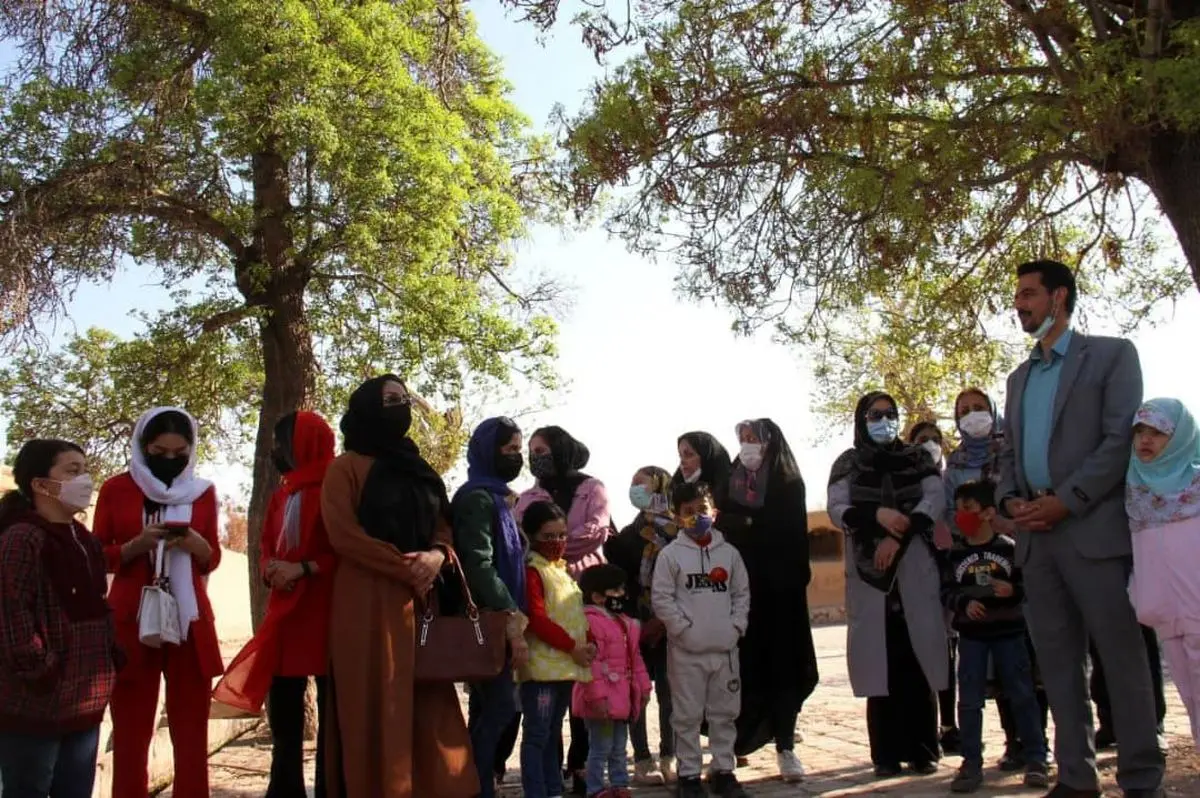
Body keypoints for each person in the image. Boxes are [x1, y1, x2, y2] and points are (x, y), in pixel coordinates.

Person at [998, 259, 1164, 798]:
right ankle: (1075, 778)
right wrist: (1010, 500)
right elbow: (1008, 455)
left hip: (1091, 530)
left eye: (1028, 294)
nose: (1019, 304)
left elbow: (1119, 440)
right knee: (1058, 665)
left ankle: (1142, 779)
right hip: (1035, 541)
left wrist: (1065, 502)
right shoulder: (1018, 377)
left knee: (1121, 659)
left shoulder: (1113, 356)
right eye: (1018, 296)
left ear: (1059, 297)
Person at [321, 375, 477, 798]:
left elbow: (443, 526)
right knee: (373, 705)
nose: (400, 405)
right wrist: (405, 565)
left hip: (421, 601)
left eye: (404, 399)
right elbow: (343, 535)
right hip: (366, 603)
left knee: (429, 707)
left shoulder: (418, 468)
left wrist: (437, 555)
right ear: (368, 406)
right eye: (390, 399)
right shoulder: (345, 468)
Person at [95, 407, 223, 798]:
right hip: (131, 622)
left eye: (179, 452)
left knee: (192, 734)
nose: (170, 459)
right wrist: (135, 547)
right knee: (132, 734)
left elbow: (212, 557)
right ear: (142, 446)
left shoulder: (203, 492)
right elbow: (96, 554)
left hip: (188, 620)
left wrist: (200, 547)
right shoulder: (117, 489)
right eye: (159, 451)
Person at [213, 411, 337, 798]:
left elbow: (346, 550)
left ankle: (331, 789)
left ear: (305, 445)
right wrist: (272, 570)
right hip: (286, 615)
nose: (275, 452)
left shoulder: (337, 490)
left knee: (333, 719)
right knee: (284, 718)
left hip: (325, 613)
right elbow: (266, 545)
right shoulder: (282, 494)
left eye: (281, 444)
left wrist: (304, 568)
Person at [827, 391, 947, 778]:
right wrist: (876, 515)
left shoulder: (917, 458)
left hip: (912, 560)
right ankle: (886, 754)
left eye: (890, 414)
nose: (884, 421)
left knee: (918, 658)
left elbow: (933, 500)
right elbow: (837, 508)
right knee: (880, 661)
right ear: (862, 420)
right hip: (868, 569)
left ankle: (925, 749)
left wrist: (899, 536)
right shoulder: (848, 462)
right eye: (875, 415)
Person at [0, 439, 120, 798]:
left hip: (84, 704)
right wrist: (42, 670)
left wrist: (110, 658)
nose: (84, 480)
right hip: (34, 704)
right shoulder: (21, 539)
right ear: (40, 484)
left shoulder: (84, 540)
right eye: (72, 471)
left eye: (85, 471)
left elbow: (96, 604)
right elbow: (11, 613)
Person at [943, 389, 1049, 770]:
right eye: (964, 411)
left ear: (993, 411)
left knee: (1028, 664)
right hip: (974, 570)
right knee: (992, 673)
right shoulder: (953, 466)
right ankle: (1012, 744)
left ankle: (1038, 746)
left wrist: (1007, 523)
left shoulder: (1013, 452)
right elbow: (948, 515)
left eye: (979, 408)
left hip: (1022, 556)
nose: (973, 415)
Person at [718, 419, 817, 782]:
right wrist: (743, 522)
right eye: (742, 439)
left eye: (753, 439)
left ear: (770, 443)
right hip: (739, 595)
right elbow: (724, 524)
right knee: (741, 672)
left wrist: (747, 524)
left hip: (781, 594)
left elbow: (788, 534)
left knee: (784, 669)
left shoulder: (789, 484)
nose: (747, 446)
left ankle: (786, 746)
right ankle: (734, 744)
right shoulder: (730, 482)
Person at [517, 425, 613, 794]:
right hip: (546, 649)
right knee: (542, 726)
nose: (535, 456)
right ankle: (543, 785)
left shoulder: (592, 488)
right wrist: (552, 548)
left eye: (541, 449)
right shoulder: (529, 497)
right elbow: (523, 535)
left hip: (581, 591)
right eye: (531, 450)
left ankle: (579, 768)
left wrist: (554, 544)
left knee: (582, 701)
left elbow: (596, 532)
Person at [652, 481, 751, 798]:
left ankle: (724, 770)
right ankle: (690, 776)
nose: (697, 517)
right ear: (677, 517)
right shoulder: (670, 556)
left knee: (725, 714)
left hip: (725, 651)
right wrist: (683, 630)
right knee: (686, 716)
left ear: (715, 512)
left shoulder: (730, 554)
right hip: (686, 654)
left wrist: (735, 627)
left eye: (702, 510)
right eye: (688, 512)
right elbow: (662, 599)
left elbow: (741, 594)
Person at [453, 416, 533, 798]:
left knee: (494, 710)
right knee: (501, 707)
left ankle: (477, 784)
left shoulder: (499, 499)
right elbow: (478, 564)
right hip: (489, 620)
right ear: (489, 451)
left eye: (519, 449)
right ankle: (470, 782)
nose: (517, 457)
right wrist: (510, 612)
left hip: (503, 618)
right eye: (510, 449)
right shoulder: (477, 499)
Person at [1124, 398, 1200, 749]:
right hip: (1166, 615)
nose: (1145, 441)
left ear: (1180, 436)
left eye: (1157, 432)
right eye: (1139, 431)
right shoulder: (1133, 485)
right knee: (1190, 694)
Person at [603, 466, 677, 785]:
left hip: (672, 625)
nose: (634, 489)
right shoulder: (628, 536)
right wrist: (637, 622)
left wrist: (663, 619)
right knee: (638, 694)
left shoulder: (679, 532)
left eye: (640, 483)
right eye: (631, 483)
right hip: (636, 626)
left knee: (670, 694)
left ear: (660, 486)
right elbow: (621, 580)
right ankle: (643, 759)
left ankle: (669, 756)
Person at [517, 500, 594, 798]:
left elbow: (575, 615)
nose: (558, 542)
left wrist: (588, 644)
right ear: (533, 536)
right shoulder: (533, 571)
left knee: (551, 734)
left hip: (565, 666)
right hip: (541, 670)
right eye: (549, 536)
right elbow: (537, 618)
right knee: (537, 734)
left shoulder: (561, 570)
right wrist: (573, 647)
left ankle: (552, 789)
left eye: (562, 535)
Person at [573, 563, 651, 798]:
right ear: (597, 596)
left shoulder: (625, 623)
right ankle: (595, 788)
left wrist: (644, 687)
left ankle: (620, 784)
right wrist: (597, 696)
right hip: (603, 697)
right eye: (615, 591)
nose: (622, 596)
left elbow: (635, 658)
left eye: (622, 590)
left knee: (619, 745)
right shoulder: (590, 622)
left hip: (623, 695)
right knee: (600, 746)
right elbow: (592, 665)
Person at [672, 432, 733, 500]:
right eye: (681, 456)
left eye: (689, 455)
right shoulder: (673, 495)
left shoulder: (735, 496)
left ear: (707, 458)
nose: (682, 462)